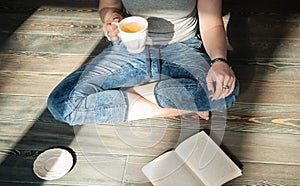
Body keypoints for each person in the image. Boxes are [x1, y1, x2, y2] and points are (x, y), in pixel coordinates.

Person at [47, 0, 238, 125]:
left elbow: (211, 23)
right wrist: (111, 19)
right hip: (130, 46)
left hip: (183, 47)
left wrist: (219, 61)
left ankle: (130, 97)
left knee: (225, 93)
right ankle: (180, 106)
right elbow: (108, 6)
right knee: (62, 105)